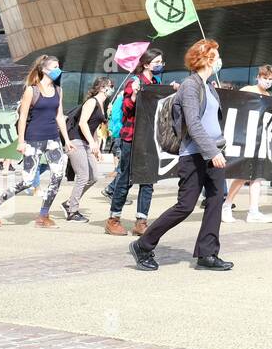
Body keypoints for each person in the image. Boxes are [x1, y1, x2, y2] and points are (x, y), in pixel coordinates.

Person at [130, 39, 231, 271]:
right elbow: (193, 124)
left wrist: (217, 148)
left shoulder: (209, 87)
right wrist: (212, 151)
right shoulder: (190, 85)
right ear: (206, 59)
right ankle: (143, 245)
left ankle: (207, 253)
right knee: (185, 206)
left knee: (216, 201)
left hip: (214, 152)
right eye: (216, 55)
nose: (219, 60)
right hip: (196, 155)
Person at [0, 55, 70, 228]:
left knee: (58, 176)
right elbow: (22, 117)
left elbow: (59, 116)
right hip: (33, 139)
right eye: (54, 66)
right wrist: (21, 141)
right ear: (44, 69)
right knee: (28, 181)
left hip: (53, 139)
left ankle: (43, 215)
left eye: (58, 66)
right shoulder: (32, 90)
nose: (58, 70)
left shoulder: (59, 90)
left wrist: (67, 140)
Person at [103, 49, 164, 237]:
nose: (161, 65)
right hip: (131, 138)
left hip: (150, 139)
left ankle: (141, 221)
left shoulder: (156, 84)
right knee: (126, 178)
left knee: (148, 180)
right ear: (146, 64)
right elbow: (127, 109)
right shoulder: (134, 82)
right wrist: (135, 96)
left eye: (162, 62)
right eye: (157, 62)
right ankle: (113, 219)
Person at [223, 65, 272, 223]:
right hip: (244, 137)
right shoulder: (248, 89)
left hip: (259, 140)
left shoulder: (268, 95)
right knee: (242, 175)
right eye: (265, 78)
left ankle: (253, 211)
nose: (268, 81)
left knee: (257, 176)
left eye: (270, 79)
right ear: (258, 77)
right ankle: (226, 206)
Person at [61, 77, 110, 223]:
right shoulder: (92, 102)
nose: (111, 88)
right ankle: (72, 211)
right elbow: (82, 123)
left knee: (94, 177)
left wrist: (97, 148)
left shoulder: (102, 104)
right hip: (76, 141)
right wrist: (91, 143)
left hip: (87, 143)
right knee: (83, 176)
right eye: (110, 85)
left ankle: (69, 202)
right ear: (102, 87)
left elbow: (93, 127)